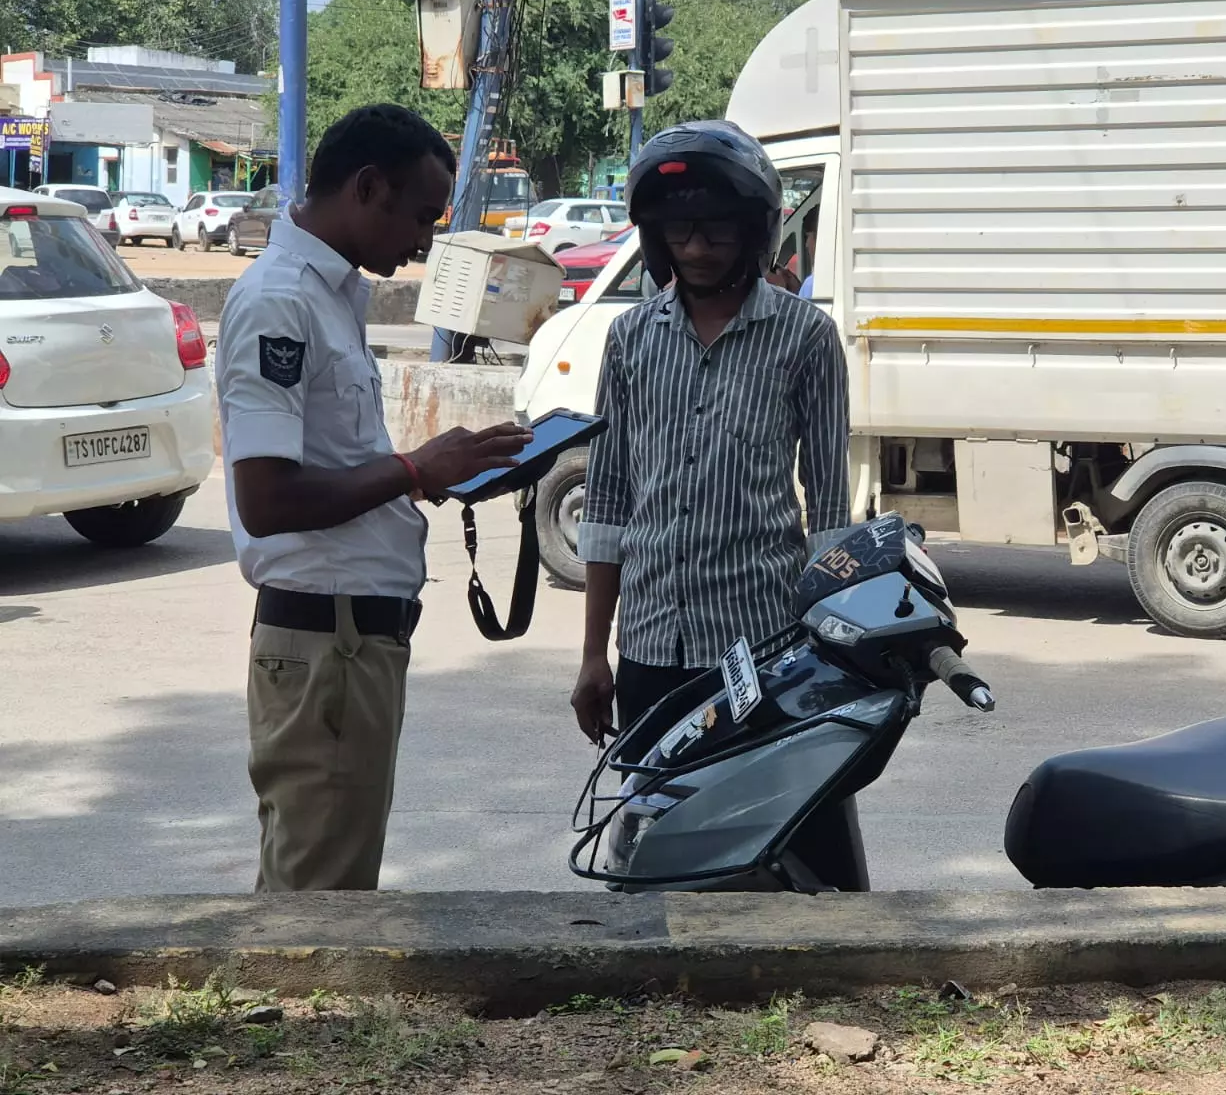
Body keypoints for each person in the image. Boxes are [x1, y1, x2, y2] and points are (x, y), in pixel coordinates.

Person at [215, 103, 532, 892]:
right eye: (421, 215)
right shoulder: (279, 301)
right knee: (316, 911)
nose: (425, 241)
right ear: (366, 188)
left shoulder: (327, 295)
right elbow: (267, 499)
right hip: (330, 647)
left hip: (350, 644)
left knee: (322, 884)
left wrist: (432, 470)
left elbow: (331, 466)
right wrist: (414, 470)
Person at [570, 120, 851, 741]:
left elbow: (831, 507)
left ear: (753, 229)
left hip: (758, 646)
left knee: (782, 829)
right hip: (647, 647)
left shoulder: (806, 337)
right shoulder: (629, 340)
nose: (697, 247)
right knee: (650, 828)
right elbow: (609, 502)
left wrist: (833, 643)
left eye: (716, 228)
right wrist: (595, 653)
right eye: (680, 230)